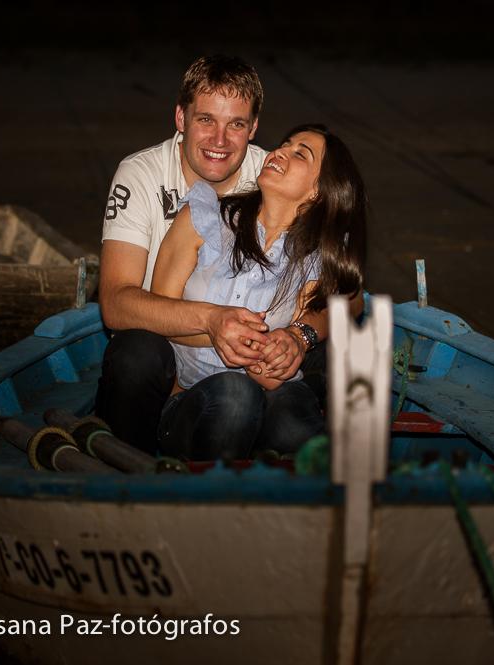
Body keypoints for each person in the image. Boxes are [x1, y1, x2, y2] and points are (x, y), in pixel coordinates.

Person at [95, 55, 339, 454]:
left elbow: (346, 290)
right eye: (206, 120)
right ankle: (127, 466)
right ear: (181, 118)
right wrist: (211, 320)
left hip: (259, 352)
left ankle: (302, 473)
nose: (220, 140)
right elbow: (116, 303)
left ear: (253, 128)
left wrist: (300, 335)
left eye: (236, 124)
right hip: (164, 345)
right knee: (137, 352)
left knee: (334, 352)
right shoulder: (140, 174)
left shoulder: (272, 172)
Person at [149, 124, 366, 460]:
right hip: (187, 403)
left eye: (300, 154)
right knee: (236, 396)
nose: (280, 152)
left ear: (318, 192)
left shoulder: (312, 262)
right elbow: (157, 317)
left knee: (291, 420)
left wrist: (276, 351)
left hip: (266, 403)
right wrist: (217, 329)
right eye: (285, 144)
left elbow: (272, 375)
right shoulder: (205, 216)